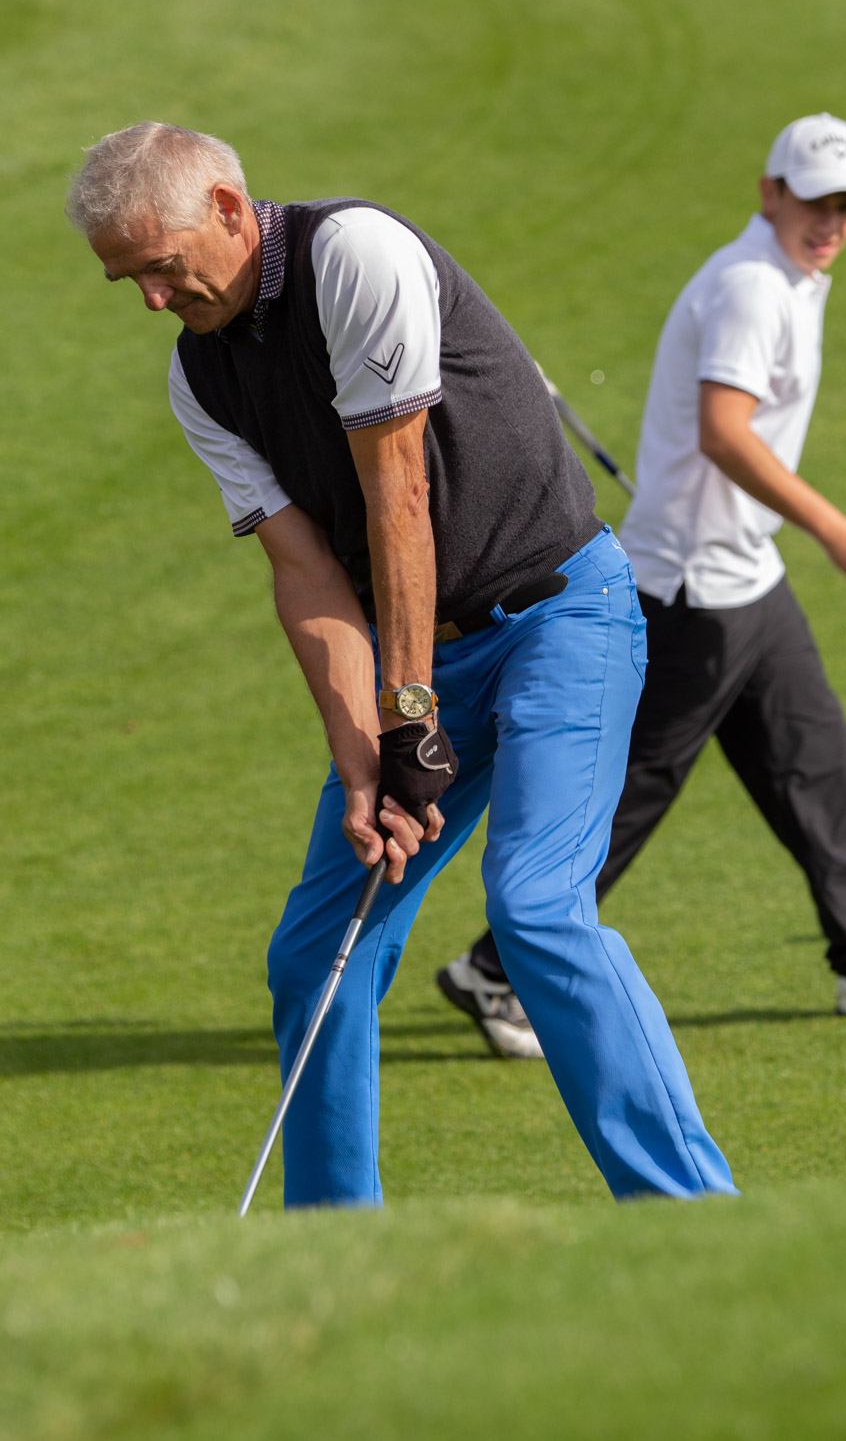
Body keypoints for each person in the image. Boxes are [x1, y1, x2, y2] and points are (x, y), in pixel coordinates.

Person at [65, 121, 736, 1208]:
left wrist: (409, 710)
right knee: (314, 953)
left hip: (561, 616)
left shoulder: (354, 255)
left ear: (228, 209)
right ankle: (338, 1239)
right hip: (419, 658)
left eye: (161, 265)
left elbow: (400, 495)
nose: (150, 298)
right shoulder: (201, 378)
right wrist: (365, 761)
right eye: (125, 280)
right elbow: (307, 577)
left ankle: (690, 1212)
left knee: (535, 906)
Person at [439, 112, 846, 1059]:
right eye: (815, 202)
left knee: (813, 756)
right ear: (771, 192)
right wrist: (833, 526)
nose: (831, 221)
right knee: (633, 788)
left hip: (745, 575)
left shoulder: (789, 276)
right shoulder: (750, 288)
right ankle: (496, 968)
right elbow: (724, 432)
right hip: (693, 586)